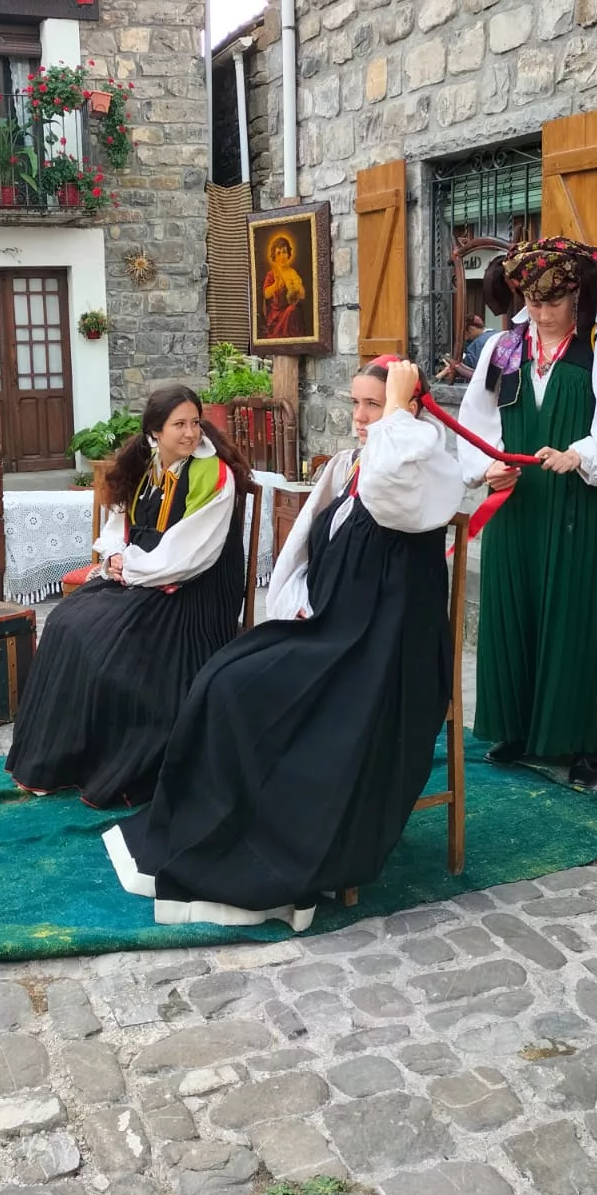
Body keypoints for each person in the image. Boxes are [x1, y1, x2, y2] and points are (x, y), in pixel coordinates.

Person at [104, 358, 465, 930]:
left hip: (382, 654)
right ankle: (212, 831)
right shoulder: (351, 465)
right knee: (223, 678)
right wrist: (295, 606)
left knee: (249, 694)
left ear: (409, 410)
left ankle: (264, 848)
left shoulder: (416, 466)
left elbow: (391, 479)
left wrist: (401, 406)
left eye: (374, 404)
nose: (361, 417)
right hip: (329, 629)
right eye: (356, 403)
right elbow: (302, 549)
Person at [457, 237, 597, 787]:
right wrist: (487, 466)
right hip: (519, 505)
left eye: (555, 301)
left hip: (581, 503)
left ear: (578, 296)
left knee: (578, 612)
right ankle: (515, 728)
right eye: (534, 302)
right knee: (515, 608)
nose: (543, 313)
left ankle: (582, 739)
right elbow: (478, 418)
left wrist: (580, 454)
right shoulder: (504, 349)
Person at [5, 385, 251, 807]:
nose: (191, 433)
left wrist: (131, 568)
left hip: (194, 591)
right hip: (144, 574)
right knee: (67, 622)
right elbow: (119, 526)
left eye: (195, 422)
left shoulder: (214, 475)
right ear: (155, 432)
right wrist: (116, 557)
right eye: (180, 425)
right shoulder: (148, 464)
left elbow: (191, 554)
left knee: (107, 643)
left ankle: (109, 763)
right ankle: (61, 763)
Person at [262, 234, 306, 339]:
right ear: (274, 256)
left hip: (291, 312)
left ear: (288, 254)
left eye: (284, 252)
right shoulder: (272, 274)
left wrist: (297, 287)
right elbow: (266, 294)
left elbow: (302, 295)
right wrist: (276, 284)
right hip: (276, 317)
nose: (282, 256)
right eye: (278, 253)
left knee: (293, 310)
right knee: (292, 310)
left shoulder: (292, 273)